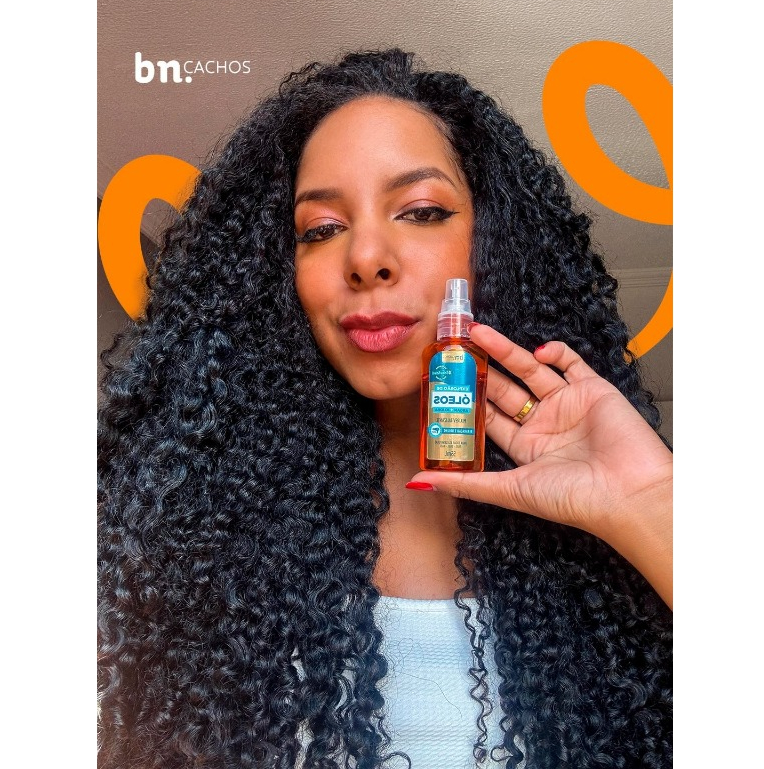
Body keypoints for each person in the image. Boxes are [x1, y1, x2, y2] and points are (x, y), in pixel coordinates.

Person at [97, 48, 672, 769]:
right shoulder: (178, 538)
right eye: (320, 229)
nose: (366, 256)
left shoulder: (616, 543)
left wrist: (649, 502)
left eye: (422, 212)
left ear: (497, 242)